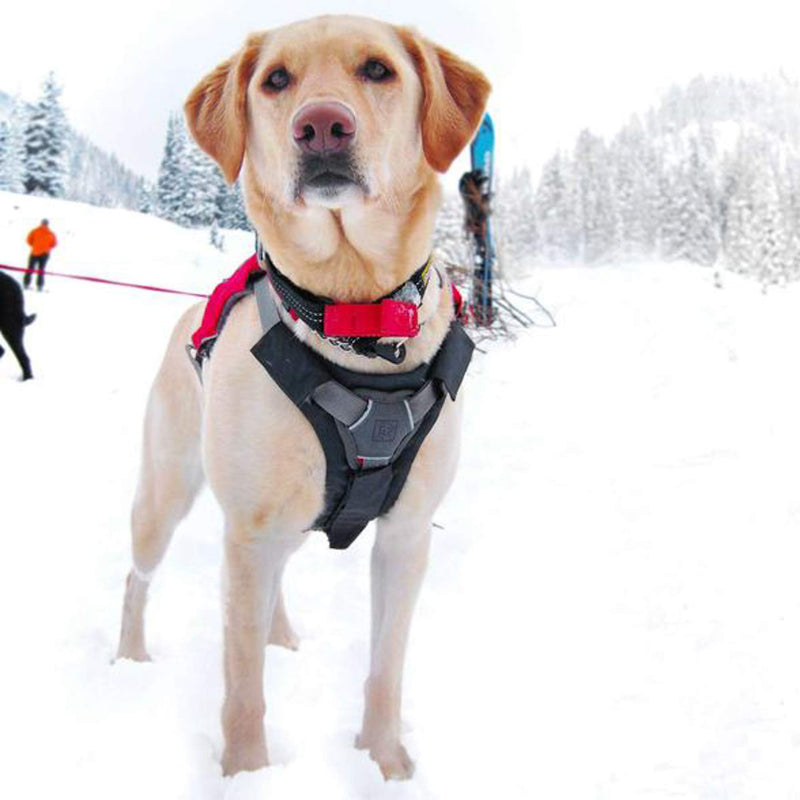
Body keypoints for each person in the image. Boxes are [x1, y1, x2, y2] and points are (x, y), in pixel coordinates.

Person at [24, 219, 57, 291]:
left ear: (41, 223)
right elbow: (54, 244)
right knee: (41, 270)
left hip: (34, 252)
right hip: (45, 254)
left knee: (30, 268)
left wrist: (35, 246)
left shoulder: (35, 231)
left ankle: (26, 284)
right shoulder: (51, 233)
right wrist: (47, 248)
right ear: (48, 224)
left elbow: (28, 240)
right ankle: (40, 286)